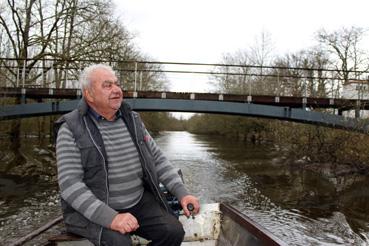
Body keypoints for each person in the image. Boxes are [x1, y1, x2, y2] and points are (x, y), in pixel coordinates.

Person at [55, 64, 200, 246]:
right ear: (89, 94)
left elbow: (157, 159)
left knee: (173, 232)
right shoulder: (70, 129)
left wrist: (182, 193)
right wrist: (111, 218)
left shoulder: (133, 120)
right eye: (107, 85)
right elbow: (70, 185)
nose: (116, 90)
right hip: (97, 208)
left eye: (117, 84)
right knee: (120, 243)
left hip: (138, 201)